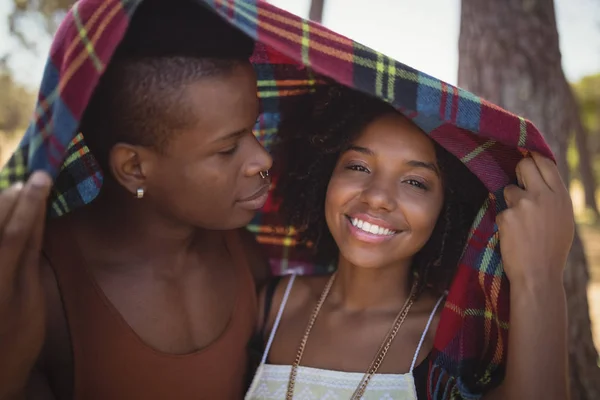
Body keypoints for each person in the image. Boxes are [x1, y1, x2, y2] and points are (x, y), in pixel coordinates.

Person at [0, 1, 273, 399]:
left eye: (254, 129)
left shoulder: (246, 258)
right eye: (228, 147)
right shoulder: (39, 287)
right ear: (133, 168)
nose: (262, 159)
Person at [246, 86, 573, 399]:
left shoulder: (450, 339)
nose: (377, 197)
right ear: (324, 175)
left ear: (446, 208)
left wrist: (539, 276)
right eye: (358, 166)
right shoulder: (270, 305)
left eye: (415, 182)